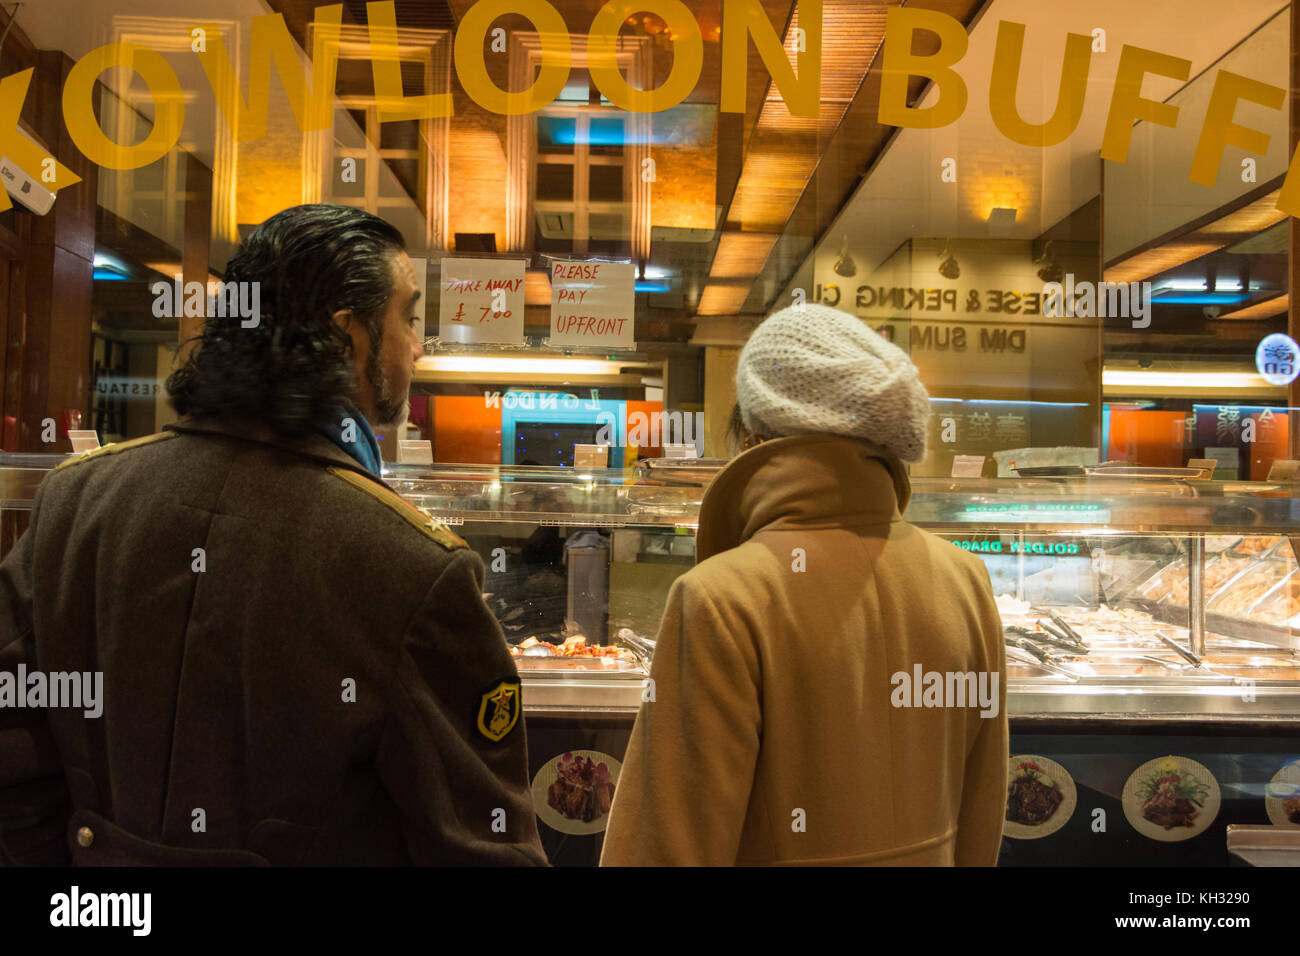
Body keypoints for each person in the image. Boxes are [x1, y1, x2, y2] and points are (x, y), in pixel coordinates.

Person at [0, 204, 547, 865]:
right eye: (408, 316)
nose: (418, 345)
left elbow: (17, 768)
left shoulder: (72, 500)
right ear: (350, 336)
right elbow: (479, 847)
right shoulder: (413, 565)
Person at [601, 304, 1008, 866]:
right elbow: (983, 805)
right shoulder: (965, 578)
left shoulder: (720, 597)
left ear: (755, 432)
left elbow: (670, 844)